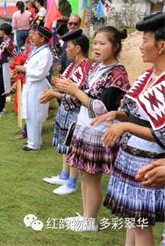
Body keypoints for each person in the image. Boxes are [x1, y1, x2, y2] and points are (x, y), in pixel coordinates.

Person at [89, 12, 163, 244]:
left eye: (145, 40)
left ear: (161, 46)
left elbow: (160, 133)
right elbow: (137, 115)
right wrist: (118, 115)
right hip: (131, 157)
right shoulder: (148, 76)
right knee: (132, 220)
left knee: (141, 225)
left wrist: (125, 127)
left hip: (148, 161)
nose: (141, 46)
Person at [55, 26, 130, 231]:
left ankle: (91, 221)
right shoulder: (97, 67)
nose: (96, 47)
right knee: (84, 174)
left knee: (92, 177)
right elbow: (88, 96)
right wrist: (70, 89)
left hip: (99, 131)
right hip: (84, 126)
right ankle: (86, 216)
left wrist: (74, 90)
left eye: (102, 43)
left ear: (115, 47)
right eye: (95, 43)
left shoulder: (117, 72)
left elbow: (101, 107)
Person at [41, 29, 91, 195]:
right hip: (65, 111)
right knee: (65, 145)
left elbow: (77, 96)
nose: (66, 50)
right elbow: (66, 88)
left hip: (75, 113)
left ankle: (71, 182)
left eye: (68, 47)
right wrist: (57, 86)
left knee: (73, 147)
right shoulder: (72, 66)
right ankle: (64, 175)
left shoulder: (85, 68)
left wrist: (54, 93)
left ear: (77, 49)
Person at [13, 25, 53, 151]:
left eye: (35, 35)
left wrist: (23, 69)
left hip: (37, 85)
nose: (32, 37)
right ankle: (33, 141)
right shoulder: (37, 49)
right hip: (31, 84)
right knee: (30, 113)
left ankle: (34, 143)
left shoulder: (46, 53)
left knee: (35, 113)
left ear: (42, 39)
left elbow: (39, 72)